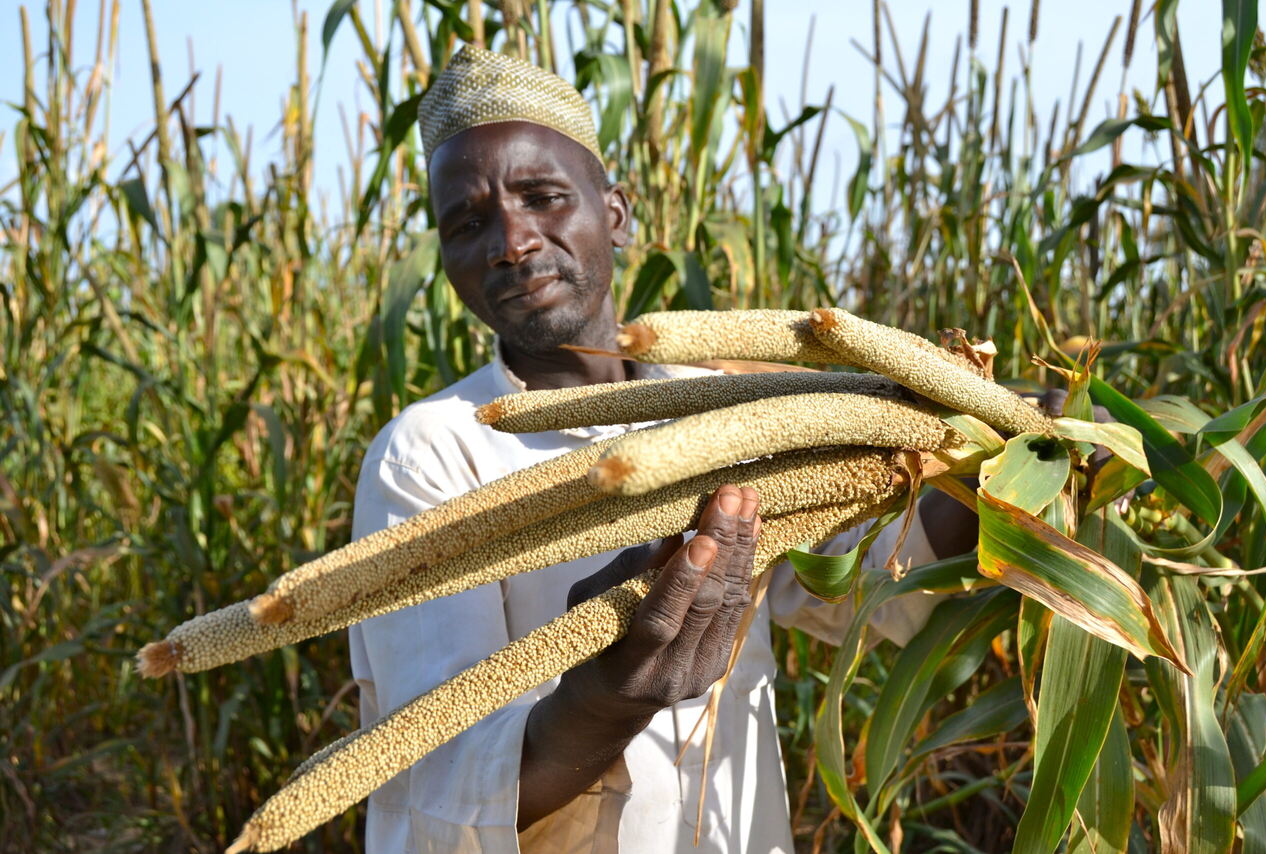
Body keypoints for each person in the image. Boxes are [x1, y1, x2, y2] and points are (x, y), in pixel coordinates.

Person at [348, 44, 969, 854]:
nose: (511, 241)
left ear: (615, 211)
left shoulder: (740, 410)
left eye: (542, 197)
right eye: (469, 225)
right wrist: (606, 695)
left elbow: (868, 584)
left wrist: (997, 465)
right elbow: (437, 780)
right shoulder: (428, 455)